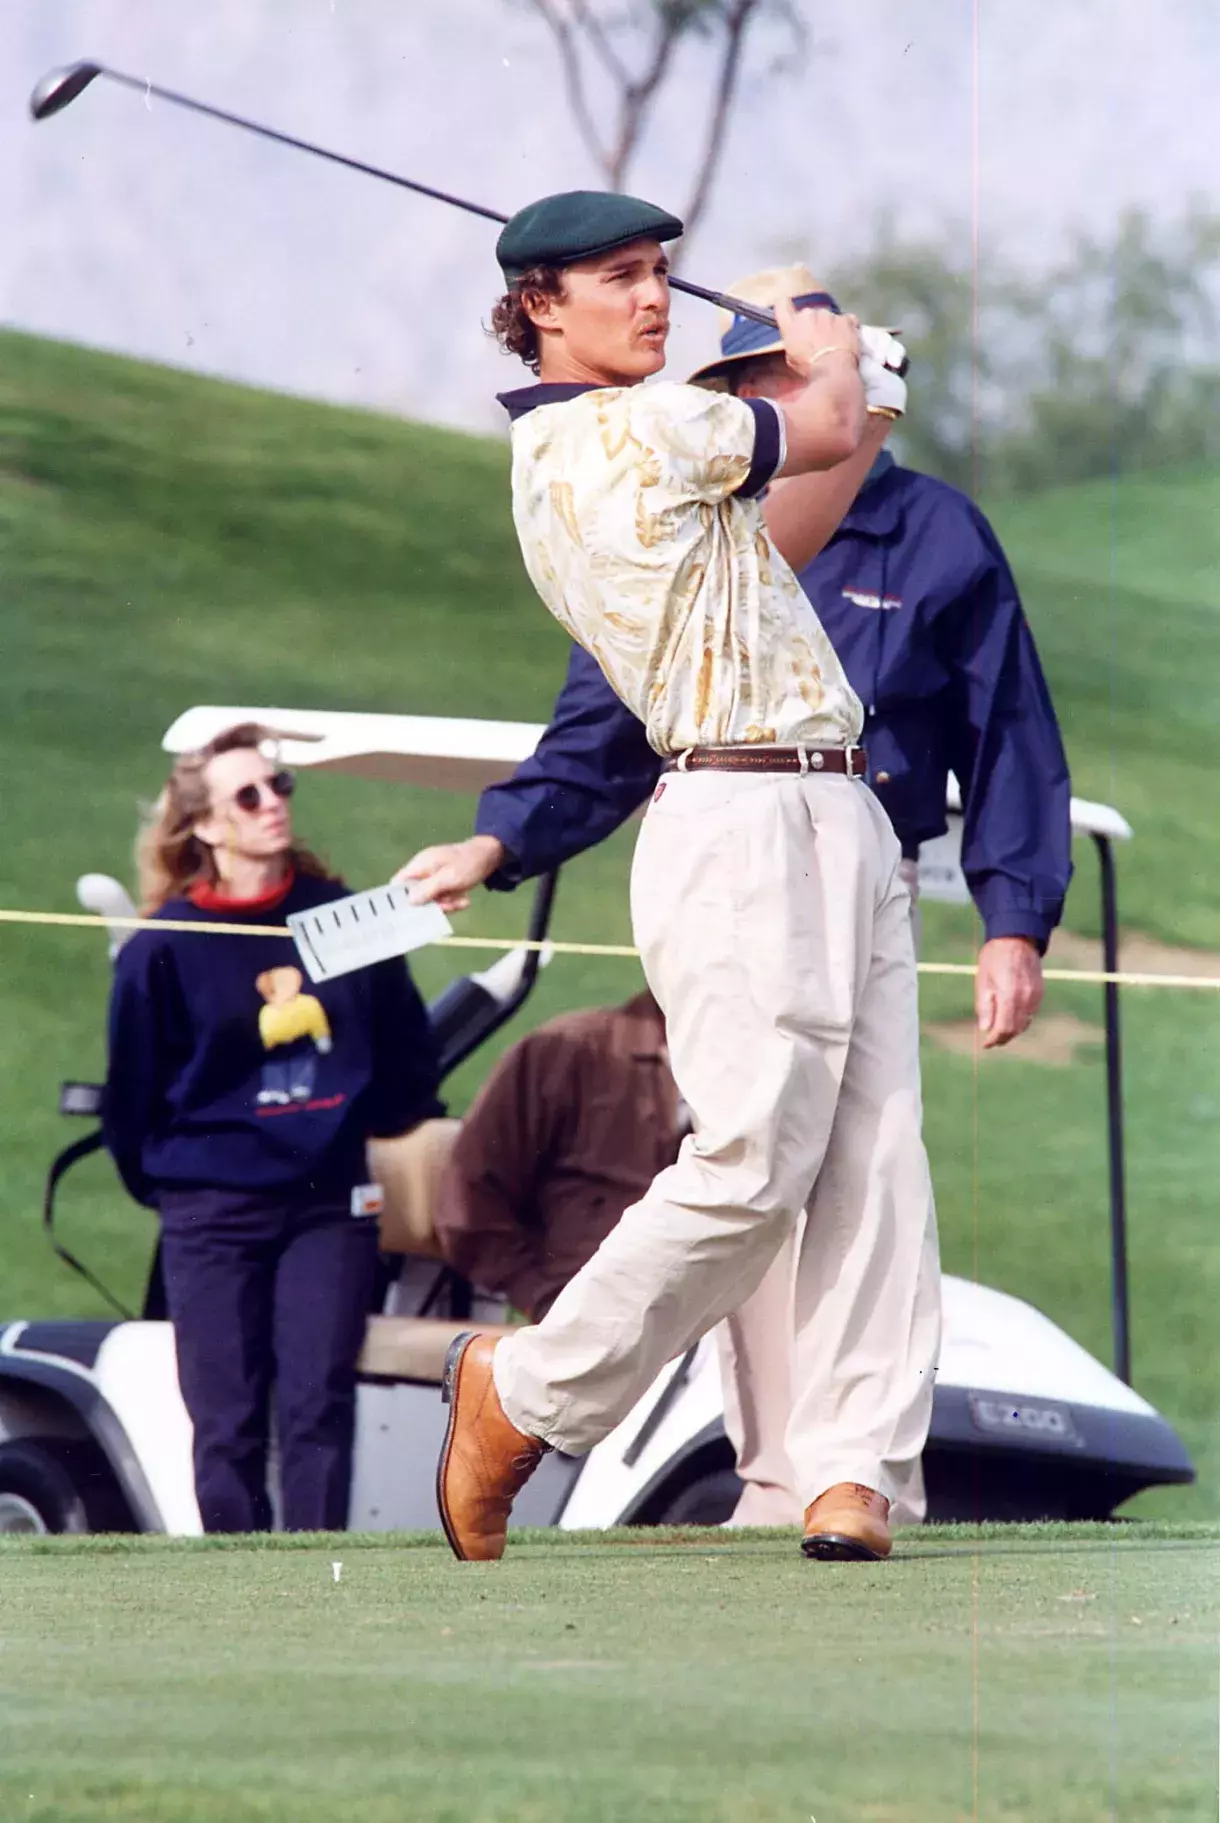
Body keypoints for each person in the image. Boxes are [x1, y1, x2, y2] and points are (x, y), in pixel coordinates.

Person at [406, 262, 1073, 1530]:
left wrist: (1012, 914)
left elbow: (1008, 730)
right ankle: (558, 1397)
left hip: (860, 831)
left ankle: (851, 1469)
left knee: (877, 1162)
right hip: (733, 819)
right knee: (755, 1159)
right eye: (758, 375)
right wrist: (501, 837)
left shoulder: (927, 529)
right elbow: (599, 724)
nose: (779, 391)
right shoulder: (667, 470)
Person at [103, 722, 443, 1533]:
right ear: (204, 824)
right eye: (247, 795)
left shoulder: (346, 919)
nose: (272, 804)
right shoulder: (163, 945)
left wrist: (356, 1124)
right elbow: (131, 1100)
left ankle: (317, 1581)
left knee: (317, 1404)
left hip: (328, 1201)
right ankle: (236, 1586)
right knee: (225, 1420)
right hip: (209, 1206)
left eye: (278, 785)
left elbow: (408, 1057)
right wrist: (183, 1187)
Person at [433, 989, 683, 1323]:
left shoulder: (751, 1074)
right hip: (591, 1318)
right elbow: (468, 1203)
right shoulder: (566, 1051)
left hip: (713, 1319)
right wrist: (543, 1300)